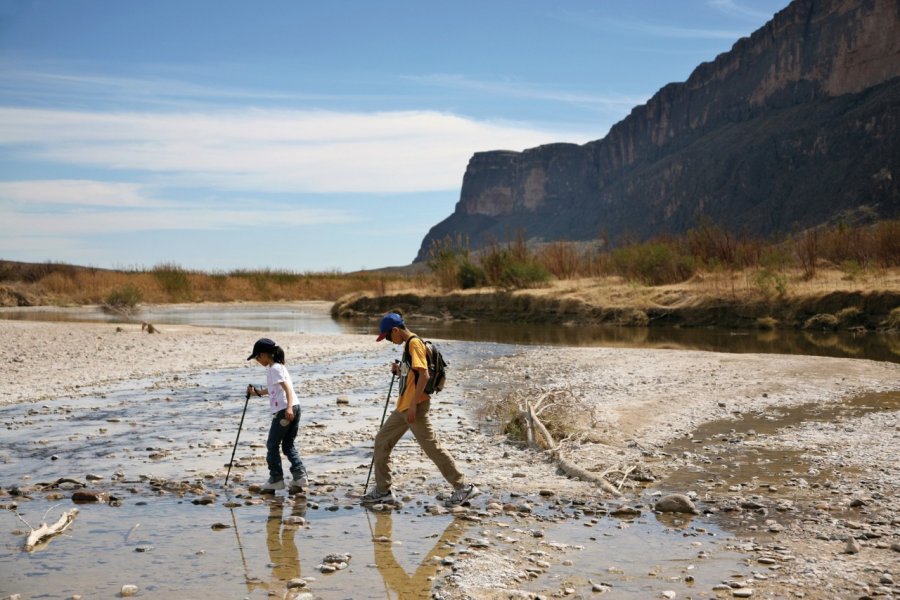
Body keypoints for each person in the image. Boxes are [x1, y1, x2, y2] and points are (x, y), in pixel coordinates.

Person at [362, 311, 479, 507]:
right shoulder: (408, 344)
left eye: (388, 336)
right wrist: (399, 371)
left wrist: (414, 407)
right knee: (382, 441)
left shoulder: (414, 343)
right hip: (404, 407)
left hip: (414, 407)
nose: (389, 340)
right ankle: (383, 491)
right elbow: (414, 375)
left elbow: (424, 375)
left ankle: (464, 487)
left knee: (432, 447)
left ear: (396, 330)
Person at [246, 337, 308, 493]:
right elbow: (273, 388)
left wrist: (287, 408)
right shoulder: (278, 367)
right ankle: (300, 477)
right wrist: (257, 393)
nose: (257, 361)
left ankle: (276, 479)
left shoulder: (274, 368)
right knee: (288, 445)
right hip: (294, 407)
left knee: (272, 445)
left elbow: (286, 388)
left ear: (265, 354)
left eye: (257, 357)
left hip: (284, 410)